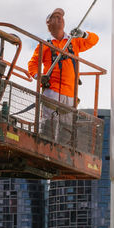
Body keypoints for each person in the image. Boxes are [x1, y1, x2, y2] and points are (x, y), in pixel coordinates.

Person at [28, 7, 99, 140]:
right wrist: (39, 76)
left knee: (66, 128)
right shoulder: (45, 45)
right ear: (48, 23)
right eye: (55, 16)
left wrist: (84, 34)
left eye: (61, 16)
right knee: (49, 125)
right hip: (52, 91)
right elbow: (32, 64)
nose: (60, 18)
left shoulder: (74, 41)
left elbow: (94, 40)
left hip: (71, 92)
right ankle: (45, 147)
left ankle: (62, 151)